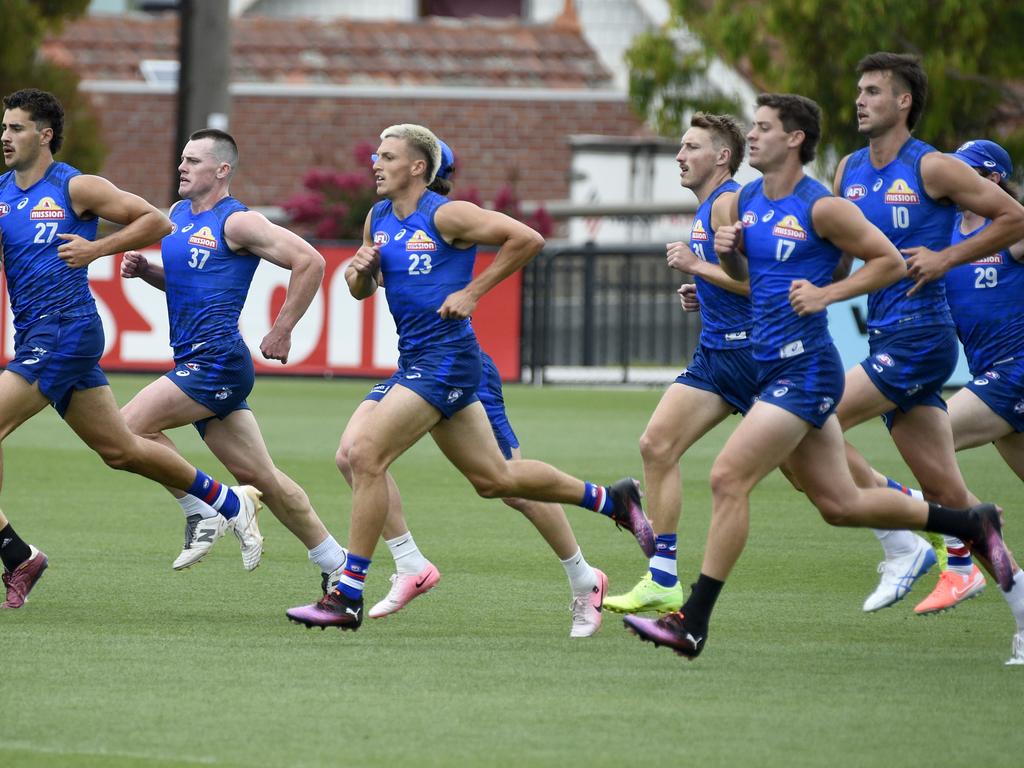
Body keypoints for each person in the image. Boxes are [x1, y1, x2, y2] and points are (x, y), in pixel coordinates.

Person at [623, 93, 1014, 660]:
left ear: (794, 137)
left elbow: (875, 261)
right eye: (751, 127)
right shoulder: (749, 201)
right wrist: (724, 263)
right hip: (772, 359)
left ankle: (692, 619)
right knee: (837, 504)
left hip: (809, 366)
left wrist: (826, 293)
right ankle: (967, 523)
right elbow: (764, 277)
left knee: (729, 477)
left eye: (763, 128)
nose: (753, 136)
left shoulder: (822, 204)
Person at [286, 124, 652, 631]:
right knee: (494, 480)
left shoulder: (447, 214)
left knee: (366, 454)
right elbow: (357, 290)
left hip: (450, 360)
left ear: (418, 168)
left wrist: (475, 292)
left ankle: (347, 594)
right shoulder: (377, 217)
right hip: (416, 361)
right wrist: (363, 270)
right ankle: (613, 500)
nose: (374, 163)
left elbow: (528, 238)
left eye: (387, 156)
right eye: (376, 154)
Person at [0, 89, 260, 609]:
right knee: (119, 449)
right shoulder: (3, 192)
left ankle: (15, 555)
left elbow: (155, 221)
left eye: (17, 128)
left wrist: (97, 248)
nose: (5, 137)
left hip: (65, 331)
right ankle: (225, 500)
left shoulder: (75, 185)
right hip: (34, 335)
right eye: (4, 128)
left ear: (45, 135)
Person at [826, 53, 1024, 620]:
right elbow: (838, 263)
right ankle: (1011, 595)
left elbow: (1015, 218)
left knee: (807, 421)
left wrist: (946, 257)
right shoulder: (847, 171)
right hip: (885, 337)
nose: (859, 100)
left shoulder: (933, 167)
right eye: (858, 90)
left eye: (872, 91)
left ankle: (903, 540)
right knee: (954, 497)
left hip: (921, 339)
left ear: (904, 101)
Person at [118, 128, 347, 587]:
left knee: (124, 427)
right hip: (197, 360)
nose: (181, 167)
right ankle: (336, 564)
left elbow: (311, 261)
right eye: (182, 159)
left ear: (222, 170)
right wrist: (149, 273)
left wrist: (282, 329)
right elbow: (191, 283)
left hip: (217, 361)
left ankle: (212, 506)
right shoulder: (179, 215)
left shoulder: (238, 222)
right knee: (264, 477)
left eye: (193, 161)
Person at [337, 350, 609, 637]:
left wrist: (468, 300)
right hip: (414, 366)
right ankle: (410, 563)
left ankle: (585, 579)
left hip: (456, 365)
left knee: (514, 487)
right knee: (350, 455)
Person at [604, 113, 757, 615]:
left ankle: (928, 523)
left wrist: (697, 267)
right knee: (656, 444)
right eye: (680, 147)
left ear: (722, 157)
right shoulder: (708, 207)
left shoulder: (729, 202)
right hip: (716, 357)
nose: (679, 155)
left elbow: (762, 285)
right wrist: (704, 288)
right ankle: (663, 578)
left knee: (823, 483)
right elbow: (732, 280)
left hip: (754, 356)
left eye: (691, 147)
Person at [932, 139, 1024, 664]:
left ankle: (963, 552)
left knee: (934, 438)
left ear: (992, 181)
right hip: (993, 377)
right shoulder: (947, 235)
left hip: (1016, 372)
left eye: (965, 172)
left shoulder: (1012, 231)